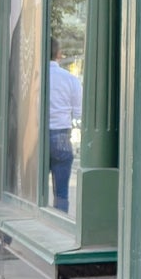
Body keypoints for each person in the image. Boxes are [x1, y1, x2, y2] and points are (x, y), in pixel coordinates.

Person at [47, 38, 82, 214]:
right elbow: (78, 113)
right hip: (61, 135)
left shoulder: (33, 78)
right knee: (61, 194)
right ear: (59, 55)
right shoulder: (70, 79)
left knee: (28, 193)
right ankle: (57, 227)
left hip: (35, 136)